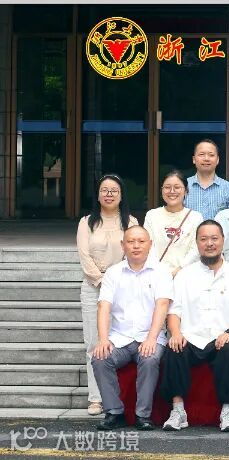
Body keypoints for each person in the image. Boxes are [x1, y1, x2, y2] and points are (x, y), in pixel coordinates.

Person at [160, 220, 229, 432]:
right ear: (197, 243)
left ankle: (228, 411)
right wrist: (176, 333)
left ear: (223, 241)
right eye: (204, 239)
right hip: (192, 336)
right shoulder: (185, 275)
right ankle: (178, 410)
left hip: (223, 335)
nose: (209, 243)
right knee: (174, 347)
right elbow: (174, 311)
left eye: (214, 238)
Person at [91, 226, 172, 431]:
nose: (136, 246)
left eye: (141, 241)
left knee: (150, 358)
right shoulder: (113, 272)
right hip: (120, 337)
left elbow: (162, 305)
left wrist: (152, 338)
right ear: (123, 245)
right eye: (131, 241)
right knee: (100, 358)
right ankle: (114, 412)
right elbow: (103, 306)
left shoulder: (161, 271)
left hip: (150, 337)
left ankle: (143, 415)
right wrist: (103, 339)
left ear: (150, 244)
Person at [77, 174, 139, 416]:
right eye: (104, 190)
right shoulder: (86, 222)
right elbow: (84, 256)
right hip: (93, 288)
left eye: (114, 190)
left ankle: (117, 396)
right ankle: (96, 398)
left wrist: (114, 281)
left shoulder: (130, 222)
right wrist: (103, 280)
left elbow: (133, 252)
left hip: (123, 288)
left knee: (120, 342)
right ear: (98, 194)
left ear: (121, 195)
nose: (109, 194)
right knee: (94, 342)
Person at [145, 170, 204, 277]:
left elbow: (196, 249)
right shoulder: (152, 216)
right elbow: (148, 246)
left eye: (177, 187)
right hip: (156, 276)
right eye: (167, 187)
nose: (172, 191)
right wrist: (159, 271)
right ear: (161, 190)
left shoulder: (196, 217)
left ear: (186, 191)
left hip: (186, 276)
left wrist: (179, 270)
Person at [185, 139, 229, 221]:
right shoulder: (183, 186)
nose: (206, 158)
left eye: (211, 155)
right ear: (194, 159)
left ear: (217, 160)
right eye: (201, 154)